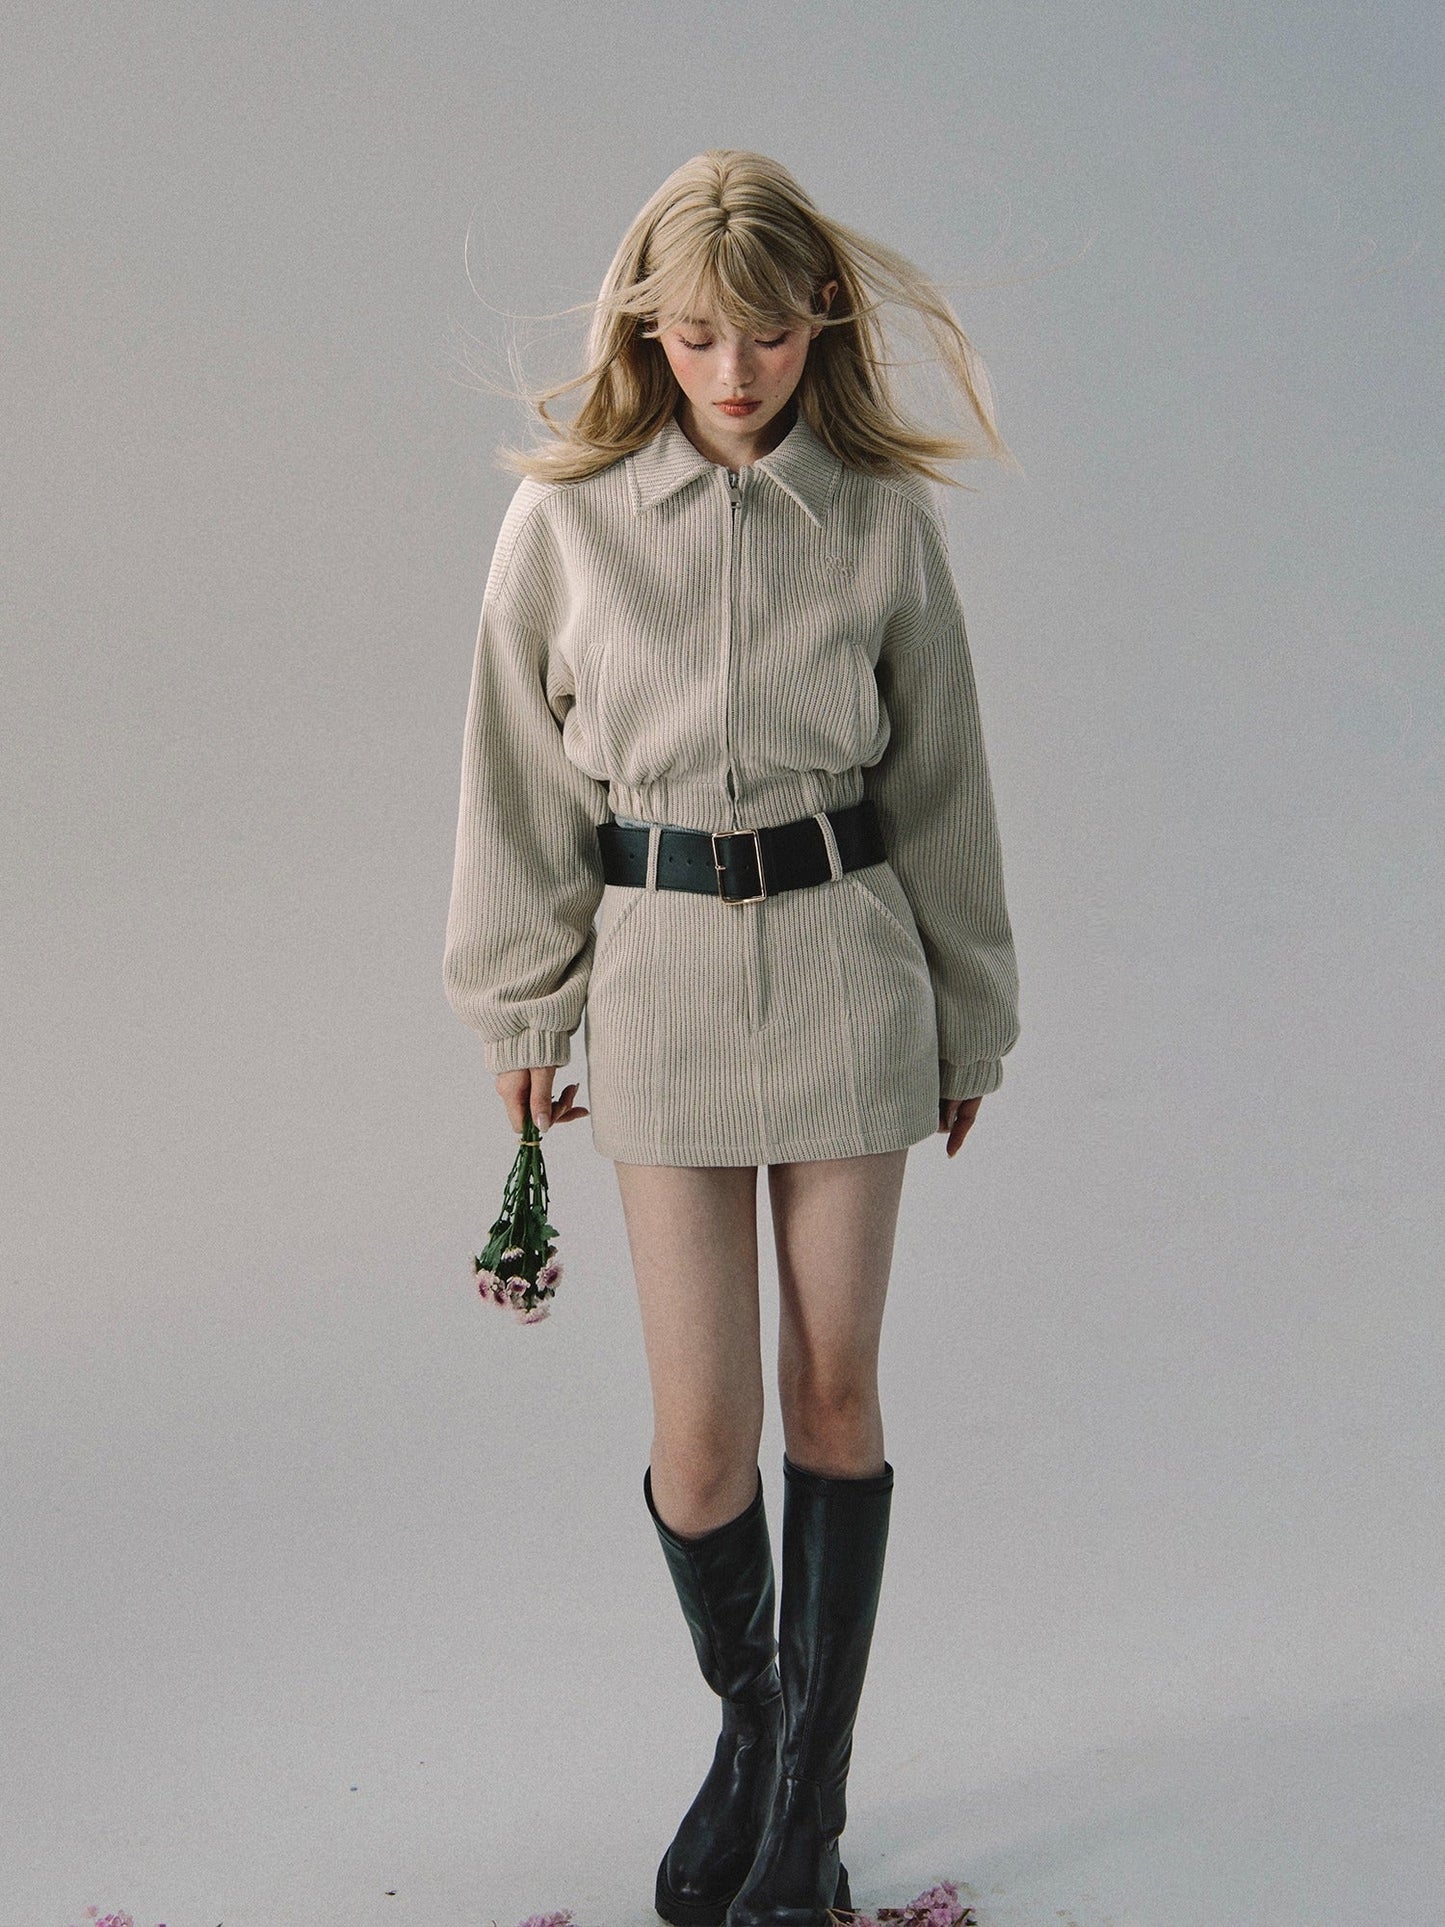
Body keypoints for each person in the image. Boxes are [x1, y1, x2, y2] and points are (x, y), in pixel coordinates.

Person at [443, 149, 1021, 1927]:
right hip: (660, 978)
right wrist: (519, 1000)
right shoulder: (566, 521)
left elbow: (942, 781)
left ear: (817, 319)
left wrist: (971, 1016)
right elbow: (515, 776)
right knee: (701, 1441)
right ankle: (762, 1731)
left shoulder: (880, 521)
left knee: (832, 1391)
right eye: (694, 336)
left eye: (763, 333)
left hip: (849, 965)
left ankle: (807, 1816)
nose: (732, 370)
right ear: (646, 332)